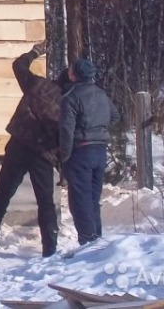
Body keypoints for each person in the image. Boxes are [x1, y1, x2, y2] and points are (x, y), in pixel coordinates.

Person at [0, 41, 62, 257]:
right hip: (43, 154)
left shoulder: (38, 85)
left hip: (19, 144)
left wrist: (35, 52)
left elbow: (18, 66)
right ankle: (50, 248)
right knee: (45, 201)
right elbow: (68, 135)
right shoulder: (68, 102)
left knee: (2, 193)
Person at [58, 57, 118, 247]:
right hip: (100, 151)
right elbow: (115, 116)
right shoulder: (101, 94)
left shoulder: (71, 97)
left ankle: (87, 242)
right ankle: (97, 240)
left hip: (80, 151)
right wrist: (100, 129)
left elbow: (66, 130)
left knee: (79, 200)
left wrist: (64, 156)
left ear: (74, 75)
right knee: (93, 198)